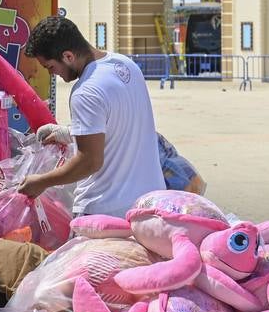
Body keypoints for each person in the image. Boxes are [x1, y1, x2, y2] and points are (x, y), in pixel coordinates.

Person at [16, 16, 165, 217]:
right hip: (150, 203)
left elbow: (90, 162)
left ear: (68, 56)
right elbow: (117, 124)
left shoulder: (85, 92)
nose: (53, 74)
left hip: (106, 212)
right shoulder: (125, 65)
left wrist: (42, 181)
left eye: (50, 67)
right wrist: (70, 132)